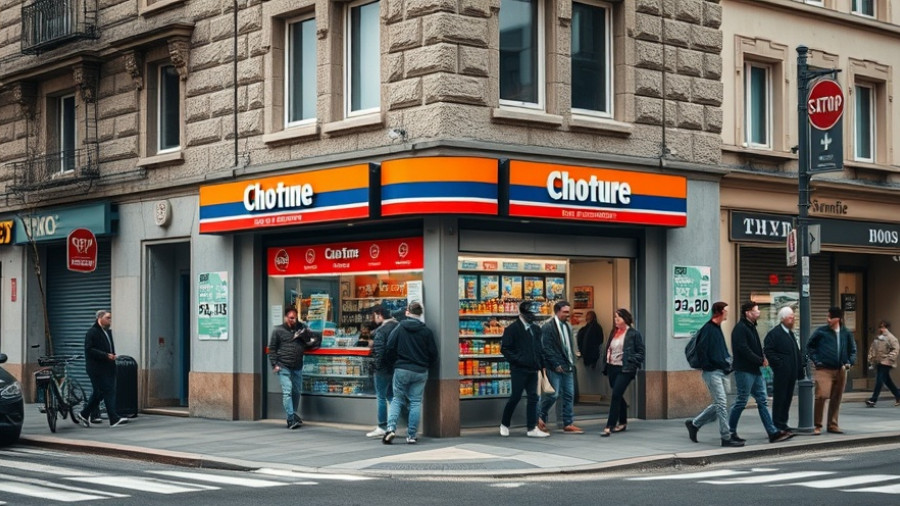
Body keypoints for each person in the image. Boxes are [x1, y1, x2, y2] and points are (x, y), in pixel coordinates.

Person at [727, 302, 793, 444]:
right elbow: (743, 349)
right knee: (741, 401)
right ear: (747, 313)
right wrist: (759, 360)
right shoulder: (741, 328)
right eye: (756, 311)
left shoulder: (751, 327)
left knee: (762, 401)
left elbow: (754, 347)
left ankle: (772, 432)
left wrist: (761, 358)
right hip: (744, 370)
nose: (758, 313)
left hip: (755, 370)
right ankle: (729, 431)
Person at [684, 302, 743, 447]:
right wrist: (710, 366)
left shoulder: (717, 328)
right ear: (721, 312)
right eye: (726, 311)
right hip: (713, 373)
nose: (728, 313)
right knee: (722, 403)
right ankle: (726, 437)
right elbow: (702, 351)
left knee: (722, 403)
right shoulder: (708, 329)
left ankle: (694, 424)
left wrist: (728, 365)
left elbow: (720, 351)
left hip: (721, 371)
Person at [382, 302, 438, 444]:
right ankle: (411, 435)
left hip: (402, 368)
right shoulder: (426, 331)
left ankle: (390, 429)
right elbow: (433, 354)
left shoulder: (399, 328)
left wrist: (394, 363)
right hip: (420, 370)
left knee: (397, 399)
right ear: (420, 314)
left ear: (407, 312)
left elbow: (389, 346)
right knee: (415, 402)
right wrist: (426, 365)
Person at [499, 301, 549, 438]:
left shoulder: (536, 329)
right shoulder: (512, 329)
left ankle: (532, 428)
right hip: (519, 369)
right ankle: (504, 423)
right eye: (530, 314)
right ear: (522, 314)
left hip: (533, 368)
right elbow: (505, 349)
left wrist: (542, 363)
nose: (532, 317)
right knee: (515, 397)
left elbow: (540, 348)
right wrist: (518, 360)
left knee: (534, 397)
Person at [807, 306, 857, 435]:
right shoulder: (821, 331)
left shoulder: (846, 333)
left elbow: (853, 350)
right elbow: (810, 346)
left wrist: (849, 362)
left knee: (836, 397)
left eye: (830, 317)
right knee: (821, 396)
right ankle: (817, 425)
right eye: (827, 316)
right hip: (824, 369)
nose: (827, 319)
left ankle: (832, 425)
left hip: (841, 369)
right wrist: (817, 361)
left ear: (838, 319)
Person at [268, 307, 319, 430]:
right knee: (287, 391)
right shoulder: (278, 330)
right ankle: (290, 418)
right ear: (286, 317)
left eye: (295, 317)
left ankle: (293, 414)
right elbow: (272, 348)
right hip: (283, 365)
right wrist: (275, 364)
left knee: (296, 391)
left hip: (297, 365)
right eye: (291, 318)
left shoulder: (301, 328)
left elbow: (314, 339)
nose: (293, 320)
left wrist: (305, 338)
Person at [599, 308, 645, 437]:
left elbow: (641, 353)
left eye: (618, 318)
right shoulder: (614, 333)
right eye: (615, 317)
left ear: (625, 319)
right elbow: (608, 349)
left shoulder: (633, 334)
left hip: (625, 369)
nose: (616, 320)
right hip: (612, 367)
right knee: (617, 394)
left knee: (615, 395)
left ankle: (610, 425)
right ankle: (623, 422)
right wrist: (605, 364)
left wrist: (631, 360)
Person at [77, 310, 127, 428]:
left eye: (110, 318)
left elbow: (109, 348)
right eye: (108, 318)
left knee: (99, 393)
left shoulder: (108, 332)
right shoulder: (92, 332)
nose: (110, 320)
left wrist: (112, 356)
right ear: (100, 318)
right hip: (96, 369)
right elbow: (89, 350)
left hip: (108, 367)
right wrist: (105, 355)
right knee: (108, 391)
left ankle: (84, 414)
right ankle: (114, 419)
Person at [539, 300, 583, 434]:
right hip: (555, 367)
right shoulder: (548, 326)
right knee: (553, 394)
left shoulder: (568, 326)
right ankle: (540, 417)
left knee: (569, 394)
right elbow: (546, 347)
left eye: (568, 312)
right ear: (557, 311)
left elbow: (569, 344)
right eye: (565, 312)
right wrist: (555, 363)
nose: (567, 314)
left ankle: (568, 423)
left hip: (568, 365)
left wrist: (574, 357)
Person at [763, 306, 804, 432]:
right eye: (790, 318)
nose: (793, 320)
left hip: (791, 372)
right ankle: (777, 423)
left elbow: (796, 352)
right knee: (780, 398)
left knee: (787, 398)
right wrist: (779, 363)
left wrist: (800, 370)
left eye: (793, 317)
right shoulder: (775, 333)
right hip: (781, 372)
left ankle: (783, 423)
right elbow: (768, 350)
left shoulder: (790, 333)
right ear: (783, 319)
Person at [365, 305, 400, 438]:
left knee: (381, 396)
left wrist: (376, 367)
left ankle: (382, 425)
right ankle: (392, 426)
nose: (374, 319)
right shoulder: (398, 327)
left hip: (383, 369)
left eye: (374, 315)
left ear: (380, 314)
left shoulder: (381, 331)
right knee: (391, 396)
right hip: (395, 367)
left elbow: (379, 352)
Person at [865, 320, 900, 407]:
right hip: (879, 362)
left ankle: (873, 399)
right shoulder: (878, 338)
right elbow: (872, 349)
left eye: (884, 327)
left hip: (886, 362)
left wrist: (889, 359)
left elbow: (896, 350)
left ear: (887, 328)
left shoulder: (891, 338)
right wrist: (871, 359)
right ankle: (898, 396)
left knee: (879, 380)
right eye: (880, 327)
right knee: (887, 381)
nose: (882, 329)